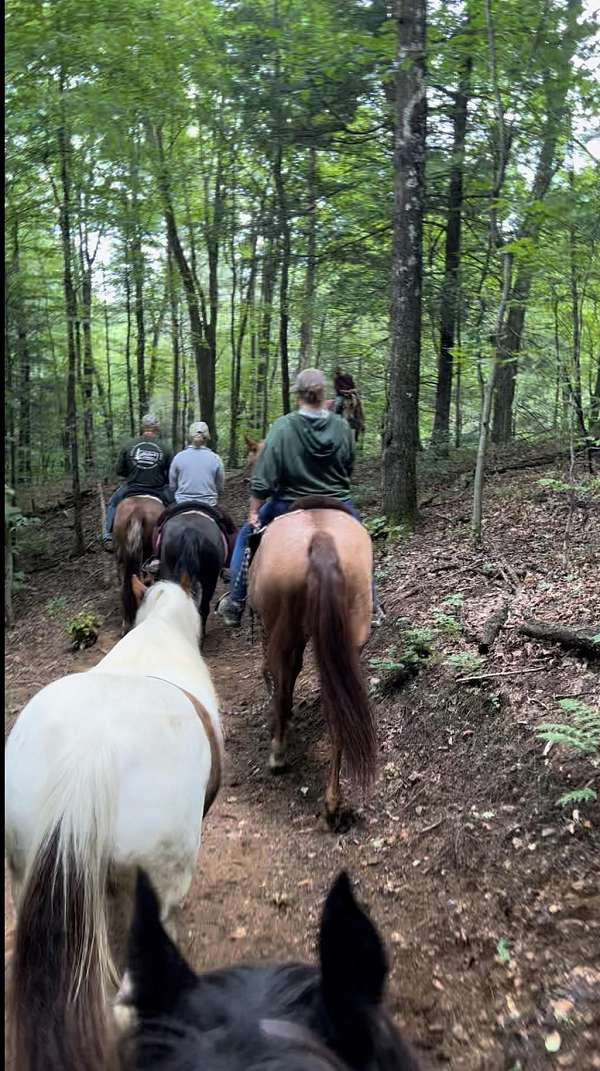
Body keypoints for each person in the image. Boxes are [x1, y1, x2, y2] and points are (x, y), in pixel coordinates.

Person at [219, 367, 383, 628]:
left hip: (287, 503)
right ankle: (371, 604)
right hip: (338, 503)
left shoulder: (283, 426)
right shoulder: (341, 426)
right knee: (361, 539)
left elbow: (264, 477)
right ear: (322, 395)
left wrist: (254, 509)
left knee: (245, 536)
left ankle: (236, 600)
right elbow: (349, 465)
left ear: (299, 395)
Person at [102, 414, 173, 551]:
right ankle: (172, 538)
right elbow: (171, 474)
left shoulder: (129, 445)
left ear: (142, 427)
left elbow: (120, 470)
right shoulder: (165, 447)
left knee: (112, 503)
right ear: (156, 428)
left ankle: (107, 536)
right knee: (176, 505)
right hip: (157, 489)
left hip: (131, 487)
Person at [169, 421, 225, 506]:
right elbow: (220, 486)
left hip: (182, 502)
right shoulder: (216, 458)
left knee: (164, 518)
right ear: (207, 437)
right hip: (208, 503)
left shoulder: (179, 457)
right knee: (225, 519)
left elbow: (172, 485)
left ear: (190, 436)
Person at [332, 369, 365, 442]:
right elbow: (337, 390)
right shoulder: (336, 379)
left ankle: (361, 422)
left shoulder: (349, 377)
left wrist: (352, 391)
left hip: (351, 394)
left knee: (359, 404)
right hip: (341, 395)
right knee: (337, 404)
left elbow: (354, 387)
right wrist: (344, 392)